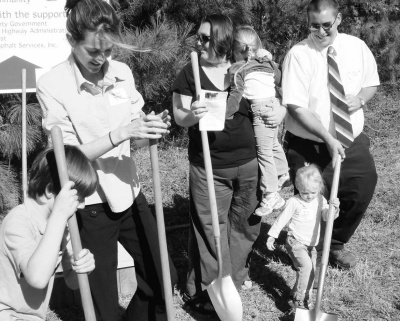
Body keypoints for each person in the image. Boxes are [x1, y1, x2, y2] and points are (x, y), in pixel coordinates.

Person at [36, 0, 177, 320]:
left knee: (162, 279)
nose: (101, 60)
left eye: (108, 51)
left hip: (128, 191)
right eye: (92, 52)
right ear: (72, 41)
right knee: (102, 306)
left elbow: (136, 138)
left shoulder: (122, 73)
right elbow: (65, 157)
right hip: (90, 203)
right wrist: (120, 133)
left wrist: (150, 131)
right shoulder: (53, 84)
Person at [172, 14, 288, 313]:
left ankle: (233, 280)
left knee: (245, 225)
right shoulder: (191, 72)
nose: (198, 41)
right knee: (210, 228)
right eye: (198, 36)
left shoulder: (246, 69)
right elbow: (179, 116)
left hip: (250, 164)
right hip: (210, 166)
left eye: (206, 37)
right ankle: (207, 289)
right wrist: (192, 115)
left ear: (224, 40)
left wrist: (281, 110)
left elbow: (272, 98)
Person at [281, 0, 379, 271]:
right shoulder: (298, 55)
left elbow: (370, 82)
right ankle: (299, 245)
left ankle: (333, 243)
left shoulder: (356, 47)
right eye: (314, 26)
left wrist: (360, 99)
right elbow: (296, 107)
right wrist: (327, 137)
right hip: (309, 144)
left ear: (338, 19)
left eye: (327, 25)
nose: (321, 31)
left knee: (360, 189)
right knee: (309, 199)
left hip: (351, 139)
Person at [0, 146, 97, 320]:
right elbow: (37, 278)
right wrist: (59, 216)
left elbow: (72, 281)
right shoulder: (18, 222)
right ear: (49, 191)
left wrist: (82, 268)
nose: (82, 205)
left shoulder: (62, 225)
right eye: (78, 198)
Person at [227, 25, 289, 216]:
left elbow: (235, 96)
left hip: (260, 110)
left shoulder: (238, 69)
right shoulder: (268, 64)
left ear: (234, 51)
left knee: (263, 151)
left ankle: (271, 194)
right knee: (272, 144)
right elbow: (280, 80)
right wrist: (271, 62)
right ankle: (283, 171)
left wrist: (225, 113)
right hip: (272, 106)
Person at [266, 164, 339, 310]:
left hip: (311, 245)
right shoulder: (294, 202)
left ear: (319, 188)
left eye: (313, 192)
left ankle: (297, 293)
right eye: (305, 193)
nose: (309, 196)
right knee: (306, 267)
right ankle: (300, 300)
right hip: (296, 242)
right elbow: (282, 219)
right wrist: (272, 235)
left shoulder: (320, 199)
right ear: (298, 187)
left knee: (311, 272)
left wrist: (334, 209)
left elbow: (327, 217)